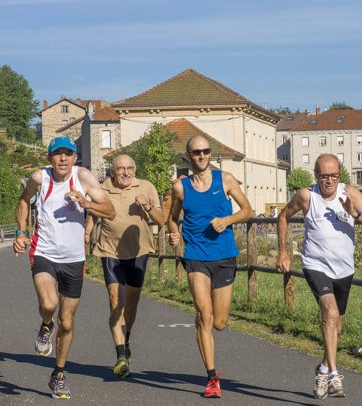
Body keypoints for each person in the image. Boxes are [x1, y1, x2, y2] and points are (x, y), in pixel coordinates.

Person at [12, 136, 115, 400]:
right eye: (57, 154)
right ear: (49, 158)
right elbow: (24, 201)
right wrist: (21, 232)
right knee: (48, 304)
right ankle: (46, 324)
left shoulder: (84, 178)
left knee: (67, 322)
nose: (63, 159)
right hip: (44, 251)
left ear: (74, 158)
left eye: (68, 154)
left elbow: (110, 211)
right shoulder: (39, 178)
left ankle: (58, 374)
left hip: (74, 258)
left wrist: (86, 203)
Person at [276, 154, 362, 399]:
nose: (329, 181)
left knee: (338, 326)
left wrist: (354, 214)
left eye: (334, 175)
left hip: (344, 269)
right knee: (330, 313)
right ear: (316, 176)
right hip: (316, 265)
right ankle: (335, 375)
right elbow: (283, 216)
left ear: (340, 175)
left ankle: (323, 368)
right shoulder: (306, 195)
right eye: (324, 176)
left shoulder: (351, 194)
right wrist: (283, 252)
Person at [167, 135, 252, 398]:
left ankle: (203, 325)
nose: (201, 156)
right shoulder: (181, 188)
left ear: (210, 154)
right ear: (188, 156)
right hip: (196, 256)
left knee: (220, 322)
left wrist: (227, 220)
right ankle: (212, 378)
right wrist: (174, 234)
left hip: (225, 256)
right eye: (196, 152)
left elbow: (248, 210)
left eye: (205, 151)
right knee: (205, 316)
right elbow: (171, 219)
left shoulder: (225, 180)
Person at [86, 154, 165, 379]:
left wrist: (147, 205)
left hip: (139, 252)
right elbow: (93, 212)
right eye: (120, 169)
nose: (126, 172)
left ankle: (126, 337)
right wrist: (87, 230)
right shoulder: (103, 188)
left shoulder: (146, 187)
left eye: (130, 168)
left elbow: (161, 219)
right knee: (115, 302)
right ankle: (121, 355)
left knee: (130, 304)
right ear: (112, 171)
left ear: (135, 169)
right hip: (110, 251)